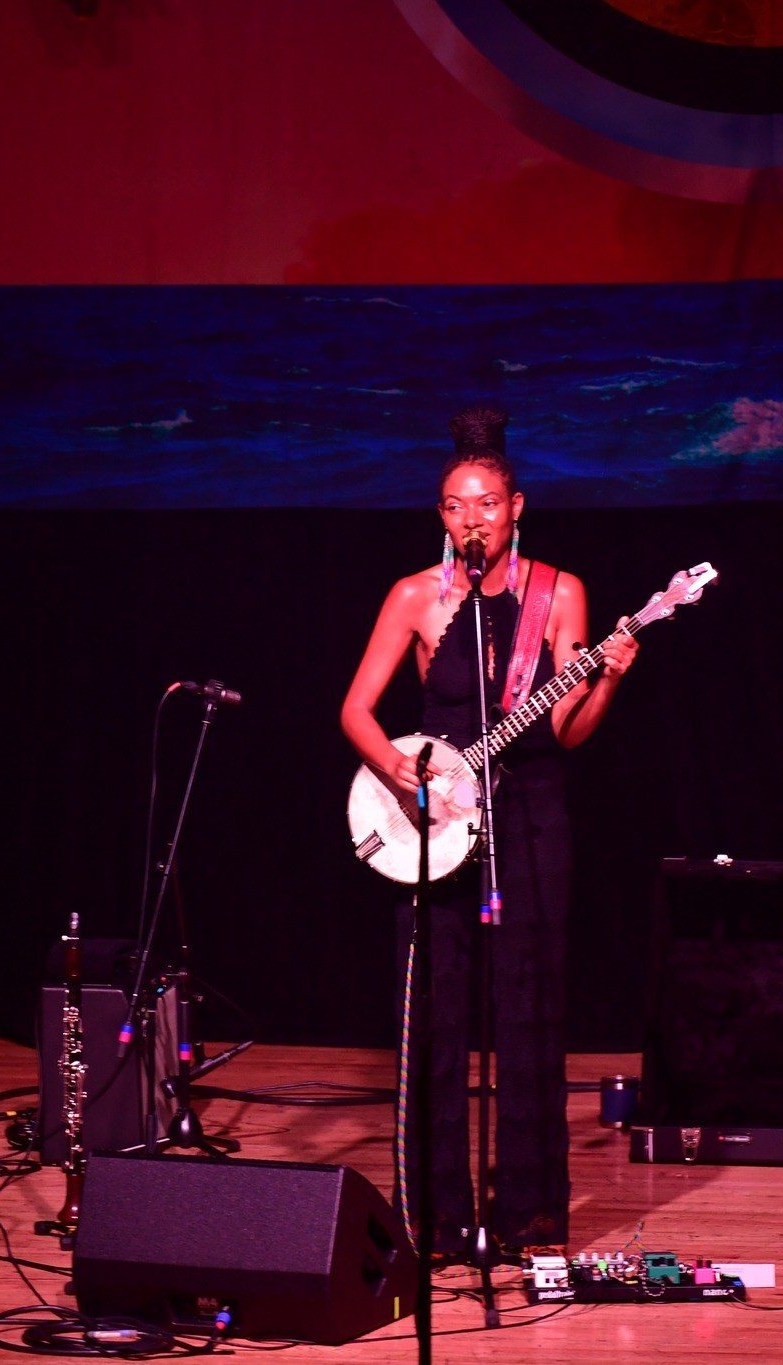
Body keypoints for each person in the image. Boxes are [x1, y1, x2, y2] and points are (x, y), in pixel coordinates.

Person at [340, 407, 638, 1256]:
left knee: (529, 1008)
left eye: (486, 503)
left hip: (531, 814)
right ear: (441, 515)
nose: (471, 519)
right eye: (454, 505)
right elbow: (356, 710)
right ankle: (436, 1219)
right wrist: (398, 768)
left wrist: (607, 679)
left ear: (516, 508)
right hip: (433, 816)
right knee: (435, 1012)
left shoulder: (560, 592)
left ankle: (528, 1214)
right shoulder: (414, 596)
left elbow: (569, 731)